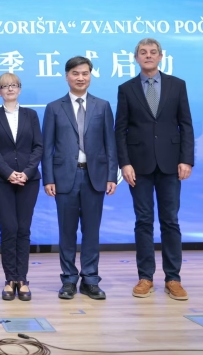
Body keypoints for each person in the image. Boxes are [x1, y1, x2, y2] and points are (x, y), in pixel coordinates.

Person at [115, 38, 194, 301]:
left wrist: (186, 159)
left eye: (152, 52)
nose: (148, 56)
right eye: (143, 52)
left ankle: (173, 278)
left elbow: (186, 124)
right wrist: (124, 163)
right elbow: (120, 129)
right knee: (143, 221)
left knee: (170, 220)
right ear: (136, 58)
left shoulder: (177, 85)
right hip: (138, 166)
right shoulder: (126, 88)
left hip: (171, 164)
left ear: (161, 56)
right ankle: (145, 277)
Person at [42, 56, 118, 300]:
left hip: (95, 176)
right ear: (67, 76)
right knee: (67, 231)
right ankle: (68, 279)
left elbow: (110, 144)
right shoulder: (54, 107)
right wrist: (48, 178)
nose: (80, 77)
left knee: (91, 231)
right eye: (75, 73)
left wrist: (111, 175)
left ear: (90, 76)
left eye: (85, 73)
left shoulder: (102, 106)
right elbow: (47, 147)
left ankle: (91, 280)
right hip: (65, 176)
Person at [0, 73, 43, 301]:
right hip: (2, 181)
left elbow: (38, 147)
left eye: (13, 85)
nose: (9, 89)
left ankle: (23, 279)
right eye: (4, 86)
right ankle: (10, 279)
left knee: (23, 229)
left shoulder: (31, 115)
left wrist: (26, 173)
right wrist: (9, 173)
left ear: (19, 88)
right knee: (9, 228)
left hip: (29, 180)